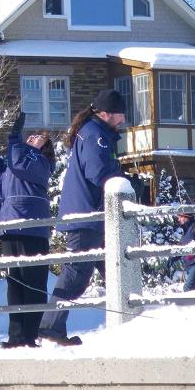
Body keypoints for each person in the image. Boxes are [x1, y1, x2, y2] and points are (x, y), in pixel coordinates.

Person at [38, 88, 126, 346]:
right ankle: (49, 327)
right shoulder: (95, 135)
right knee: (78, 272)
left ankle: (130, 320)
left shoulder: (96, 133)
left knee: (115, 269)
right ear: (107, 113)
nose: (123, 119)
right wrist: (125, 183)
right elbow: (98, 172)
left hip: (92, 215)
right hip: (87, 215)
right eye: (120, 114)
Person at [0, 110, 55, 348]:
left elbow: (20, 163)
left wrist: (14, 138)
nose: (32, 138)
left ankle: (31, 335)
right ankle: (16, 336)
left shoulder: (41, 163)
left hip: (32, 229)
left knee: (33, 283)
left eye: (38, 138)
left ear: (46, 148)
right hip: (11, 227)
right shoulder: (14, 162)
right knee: (15, 284)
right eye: (30, 137)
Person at [175, 211, 195, 291]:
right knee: (194, 289)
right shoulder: (185, 229)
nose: (179, 220)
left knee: (187, 288)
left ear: (186, 216)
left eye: (180, 217)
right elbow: (182, 246)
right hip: (188, 265)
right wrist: (174, 257)